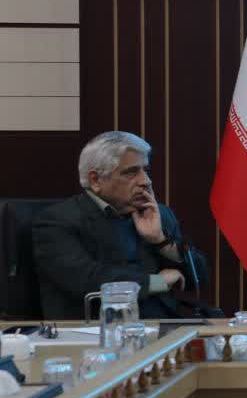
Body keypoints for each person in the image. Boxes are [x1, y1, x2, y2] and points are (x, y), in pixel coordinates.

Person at [32, 131, 209, 319]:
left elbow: (198, 278)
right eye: (131, 172)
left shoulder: (158, 214)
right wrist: (156, 282)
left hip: (163, 326)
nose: (146, 181)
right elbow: (85, 278)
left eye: (145, 170)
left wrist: (161, 242)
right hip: (95, 328)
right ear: (96, 180)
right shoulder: (57, 221)